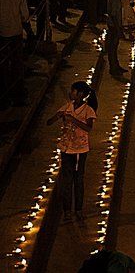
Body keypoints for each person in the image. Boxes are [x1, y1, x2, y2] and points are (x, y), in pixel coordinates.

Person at [47, 81, 97, 222]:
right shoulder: (67, 106)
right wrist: (57, 116)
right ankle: (67, 211)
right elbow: (49, 122)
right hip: (66, 148)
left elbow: (88, 128)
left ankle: (78, 210)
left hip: (80, 150)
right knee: (66, 180)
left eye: (73, 91)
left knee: (78, 179)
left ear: (81, 94)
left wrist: (73, 120)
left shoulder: (88, 110)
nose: (71, 93)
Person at [0, 0, 32, 108]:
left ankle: (5, 92)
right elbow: (24, 15)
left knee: (3, 62)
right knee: (17, 61)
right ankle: (18, 91)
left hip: (2, 32)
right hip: (15, 30)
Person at [105, 0, 128, 76]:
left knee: (114, 47)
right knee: (112, 48)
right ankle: (113, 68)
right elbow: (113, 15)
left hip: (115, 25)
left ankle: (116, 66)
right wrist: (118, 28)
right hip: (113, 26)